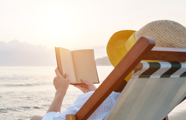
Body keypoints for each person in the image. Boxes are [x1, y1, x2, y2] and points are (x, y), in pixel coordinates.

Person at [28, 19, 186, 120]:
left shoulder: (95, 101)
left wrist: (60, 92)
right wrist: (93, 94)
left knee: (36, 118)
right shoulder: (159, 100)